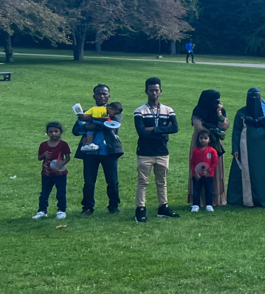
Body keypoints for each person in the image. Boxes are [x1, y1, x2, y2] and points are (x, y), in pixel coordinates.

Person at [228, 88, 265, 207]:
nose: (254, 99)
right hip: (246, 148)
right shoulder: (241, 113)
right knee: (249, 172)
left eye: (256, 96)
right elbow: (236, 131)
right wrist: (235, 149)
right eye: (252, 96)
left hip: (264, 146)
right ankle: (251, 199)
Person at [133, 77, 179, 222]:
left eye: (156, 90)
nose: (154, 93)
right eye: (151, 90)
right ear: (146, 91)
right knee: (143, 182)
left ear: (161, 91)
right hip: (145, 152)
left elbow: (175, 128)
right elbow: (141, 132)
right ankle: (140, 209)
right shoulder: (139, 111)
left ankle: (163, 207)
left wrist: (153, 129)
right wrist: (162, 131)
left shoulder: (168, 109)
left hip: (162, 152)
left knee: (162, 181)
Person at [73, 84, 122, 215]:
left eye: (105, 94)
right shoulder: (88, 111)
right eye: (99, 93)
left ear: (109, 96)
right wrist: (85, 127)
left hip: (109, 150)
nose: (102, 96)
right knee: (89, 182)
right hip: (90, 151)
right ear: (94, 96)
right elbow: (76, 130)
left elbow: (112, 125)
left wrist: (90, 120)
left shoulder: (114, 109)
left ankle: (114, 206)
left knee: (112, 181)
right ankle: (87, 207)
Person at [187, 90, 228, 208]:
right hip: (200, 141)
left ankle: (215, 199)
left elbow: (225, 126)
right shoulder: (198, 110)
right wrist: (215, 131)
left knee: (214, 169)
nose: (217, 102)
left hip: (214, 144)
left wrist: (219, 113)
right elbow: (198, 127)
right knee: (198, 167)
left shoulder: (220, 111)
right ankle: (198, 200)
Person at [34, 121, 70, 220]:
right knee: (44, 193)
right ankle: (42, 211)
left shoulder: (63, 144)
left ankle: (61, 210)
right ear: (47, 133)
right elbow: (39, 158)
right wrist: (44, 154)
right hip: (46, 173)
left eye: (56, 131)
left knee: (61, 192)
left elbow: (67, 158)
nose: (53, 133)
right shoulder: (43, 145)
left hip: (60, 173)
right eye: (50, 131)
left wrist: (59, 166)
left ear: (60, 132)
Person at [189, 130, 219, 213]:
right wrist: (195, 172)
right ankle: (196, 205)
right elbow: (192, 162)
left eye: (205, 138)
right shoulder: (195, 151)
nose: (203, 140)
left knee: (209, 190)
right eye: (201, 138)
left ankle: (209, 205)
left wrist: (209, 171)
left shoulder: (212, 151)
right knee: (196, 190)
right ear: (198, 139)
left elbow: (215, 162)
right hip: (197, 175)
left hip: (208, 175)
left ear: (209, 140)